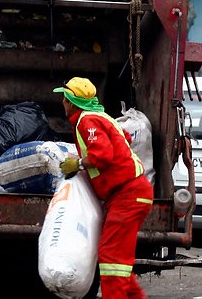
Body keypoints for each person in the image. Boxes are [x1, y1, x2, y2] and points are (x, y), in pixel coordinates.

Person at [56, 77, 153, 299]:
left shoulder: (85, 120)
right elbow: (124, 138)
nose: (62, 101)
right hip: (133, 192)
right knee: (119, 262)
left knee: (112, 259)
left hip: (128, 194)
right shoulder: (100, 116)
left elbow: (104, 154)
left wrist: (79, 163)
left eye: (64, 97)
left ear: (71, 102)